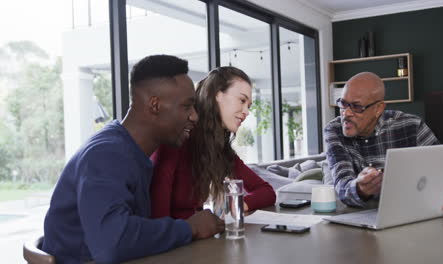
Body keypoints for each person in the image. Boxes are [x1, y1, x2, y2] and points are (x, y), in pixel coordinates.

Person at [42, 55, 225, 264]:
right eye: (186, 106)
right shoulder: (106, 155)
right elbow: (112, 243)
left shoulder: (129, 151)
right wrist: (190, 228)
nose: (195, 116)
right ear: (154, 105)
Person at [324, 72, 443, 216]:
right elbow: (342, 186)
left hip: (414, 214)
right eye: (343, 103)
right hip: (360, 220)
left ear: (378, 109)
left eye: (356, 106)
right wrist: (360, 188)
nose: (346, 113)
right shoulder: (334, 130)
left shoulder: (411, 125)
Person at [150, 66, 276, 220]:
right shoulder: (175, 139)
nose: (246, 112)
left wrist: (236, 205)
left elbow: (267, 191)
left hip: (195, 237)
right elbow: (158, 219)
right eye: (242, 100)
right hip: (174, 241)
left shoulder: (217, 148)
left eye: (248, 106)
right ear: (217, 95)